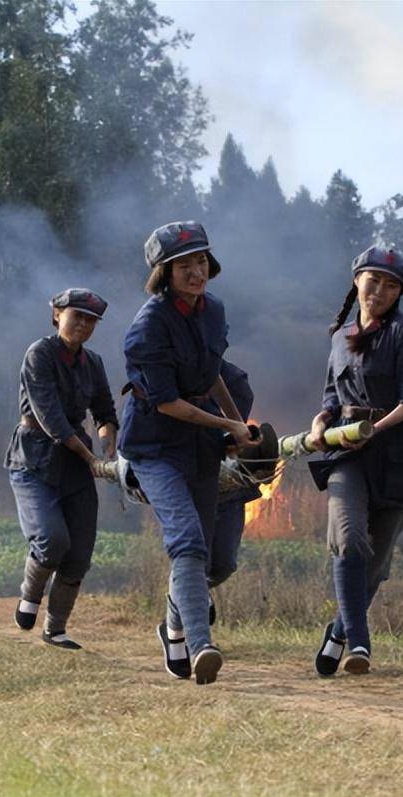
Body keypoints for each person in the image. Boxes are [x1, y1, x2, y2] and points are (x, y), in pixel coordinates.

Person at [118, 221, 256, 685]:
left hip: (199, 445)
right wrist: (226, 423)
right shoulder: (147, 329)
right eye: (183, 266)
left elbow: (213, 370)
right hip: (154, 447)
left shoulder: (213, 310)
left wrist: (238, 427)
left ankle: (174, 626)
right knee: (187, 541)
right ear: (164, 273)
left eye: (201, 262)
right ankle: (202, 646)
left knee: (218, 560)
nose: (196, 272)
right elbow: (167, 402)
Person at [307, 247, 403, 676]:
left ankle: (338, 633)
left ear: (399, 292)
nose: (378, 291)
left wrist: (377, 429)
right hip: (347, 456)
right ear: (356, 281)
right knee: (348, 541)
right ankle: (360, 645)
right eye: (372, 280)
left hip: (397, 461)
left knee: (376, 564)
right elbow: (332, 393)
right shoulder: (340, 337)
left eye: (390, 285)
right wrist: (321, 419)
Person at [5, 288, 117, 650]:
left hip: (76, 463)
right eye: (77, 316)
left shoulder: (94, 363)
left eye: (91, 320)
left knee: (80, 551)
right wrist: (92, 459)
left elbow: (104, 412)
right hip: (34, 457)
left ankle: (56, 629)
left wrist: (109, 449)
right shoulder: (40, 354)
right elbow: (51, 419)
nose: (83, 324)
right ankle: (30, 595)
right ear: (56, 314)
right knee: (52, 540)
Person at [203, 360, 260, 623]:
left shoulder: (236, 380)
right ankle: (188, 635)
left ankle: (194, 591)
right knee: (191, 556)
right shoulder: (173, 367)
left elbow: (237, 429)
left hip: (229, 483)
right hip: (188, 483)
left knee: (224, 564)